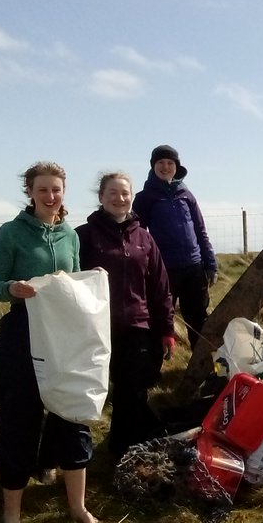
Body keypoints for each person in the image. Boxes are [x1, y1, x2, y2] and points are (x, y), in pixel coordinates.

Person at [0, 161, 99, 523]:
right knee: (19, 418)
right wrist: (12, 288)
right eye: (43, 190)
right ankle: (12, 514)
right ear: (30, 192)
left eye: (56, 189)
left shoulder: (71, 235)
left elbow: (77, 284)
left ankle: (78, 506)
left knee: (71, 412)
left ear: (64, 192)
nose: (51, 196)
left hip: (64, 334)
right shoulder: (11, 233)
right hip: (23, 330)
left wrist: (92, 280)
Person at [77, 173, 177, 460]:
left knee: (131, 392)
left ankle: (121, 451)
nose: (119, 198)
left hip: (137, 327)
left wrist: (166, 330)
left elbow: (160, 288)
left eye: (124, 193)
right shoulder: (84, 235)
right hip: (94, 328)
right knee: (87, 393)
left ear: (131, 196)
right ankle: (68, 456)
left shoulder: (144, 238)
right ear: (101, 197)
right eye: (112, 193)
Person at [133, 145, 217, 349]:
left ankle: (202, 368)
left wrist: (210, 263)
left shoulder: (186, 194)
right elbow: (137, 235)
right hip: (163, 270)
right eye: (160, 162)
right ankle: (153, 369)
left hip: (194, 267)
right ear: (153, 166)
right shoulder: (145, 197)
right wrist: (143, 268)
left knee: (198, 318)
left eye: (170, 163)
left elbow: (200, 229)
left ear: (176, 167)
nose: (165, 166)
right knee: (160, 318)